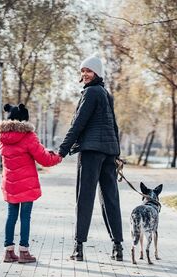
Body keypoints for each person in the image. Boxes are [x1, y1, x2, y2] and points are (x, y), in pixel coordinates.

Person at [58, 54, 123, 261]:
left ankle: (78, 248)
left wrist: (61, 150)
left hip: (91, 152)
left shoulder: (91, 93)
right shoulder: (105, 93)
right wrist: (117, 154)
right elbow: (114, 127)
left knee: (84, 198)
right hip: (109, 153)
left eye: (89, 71)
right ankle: (118, 247)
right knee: (111, 199)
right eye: (83, 71)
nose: (85, 74)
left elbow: (78, 124)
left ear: (97, 73)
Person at [0, 103, 62, 263]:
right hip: (26, 185)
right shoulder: (28, 136)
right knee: (25, 216)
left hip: (10, 183)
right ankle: (24, 252)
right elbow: (43, 159)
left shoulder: (2, 137)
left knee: (11, 216)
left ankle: (8, 252)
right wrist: (57, 157)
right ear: (25, 119)